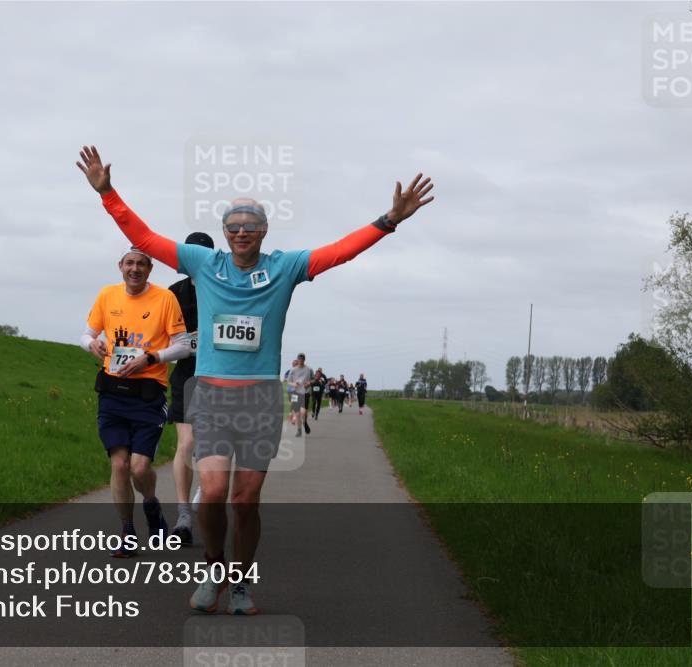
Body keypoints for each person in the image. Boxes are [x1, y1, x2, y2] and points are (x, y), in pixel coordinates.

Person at [76, 144, 434, 614]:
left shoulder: (284, 267)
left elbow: (339, 252)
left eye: (250, 227)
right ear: (224, 234)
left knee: (245, 501)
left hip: (260, 400)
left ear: (263, 232)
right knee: (215, 495)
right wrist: (107, 193)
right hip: (212, 398)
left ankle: (240, 584)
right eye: (234, 227)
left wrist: (389, 221)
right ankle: (213, 569)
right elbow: (143, 236)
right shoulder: (204, 264)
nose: (242, 233)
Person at [80, 247, 192, 557]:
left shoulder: (165, 299)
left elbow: (182, 347)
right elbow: (86, 334)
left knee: (140, 468)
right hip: (113, 390)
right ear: (120, 266)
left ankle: (152, 506)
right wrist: (93, 344)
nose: (135, 269)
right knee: (119, 465)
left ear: (150, 269)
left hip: (148, 394)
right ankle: (127, 532)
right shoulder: (108, 295)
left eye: (141, 264)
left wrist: (151, 358)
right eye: (129, 263)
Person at [167, 231, 215, 546]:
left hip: (219, 374)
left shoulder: (226, 288)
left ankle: (201, 496)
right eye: (189, 254)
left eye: (201, 255)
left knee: (211, 447)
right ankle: (184, 514)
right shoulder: (171, 294)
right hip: (186, 372)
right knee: (187, 442)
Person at [286, 353, 313, 437]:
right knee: (297, 413)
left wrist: (309, 383)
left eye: (302, 359)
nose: (300, 361)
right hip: (295, 392)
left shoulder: (309, 369)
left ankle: (304, 422)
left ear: (304, 360)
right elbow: (288, 381)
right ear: (297, 360)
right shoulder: (293, 370)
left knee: (303, 412)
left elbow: (313, 379)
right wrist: (293, 384)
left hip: (305, 392)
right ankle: (299, 430)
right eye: (299, 359)